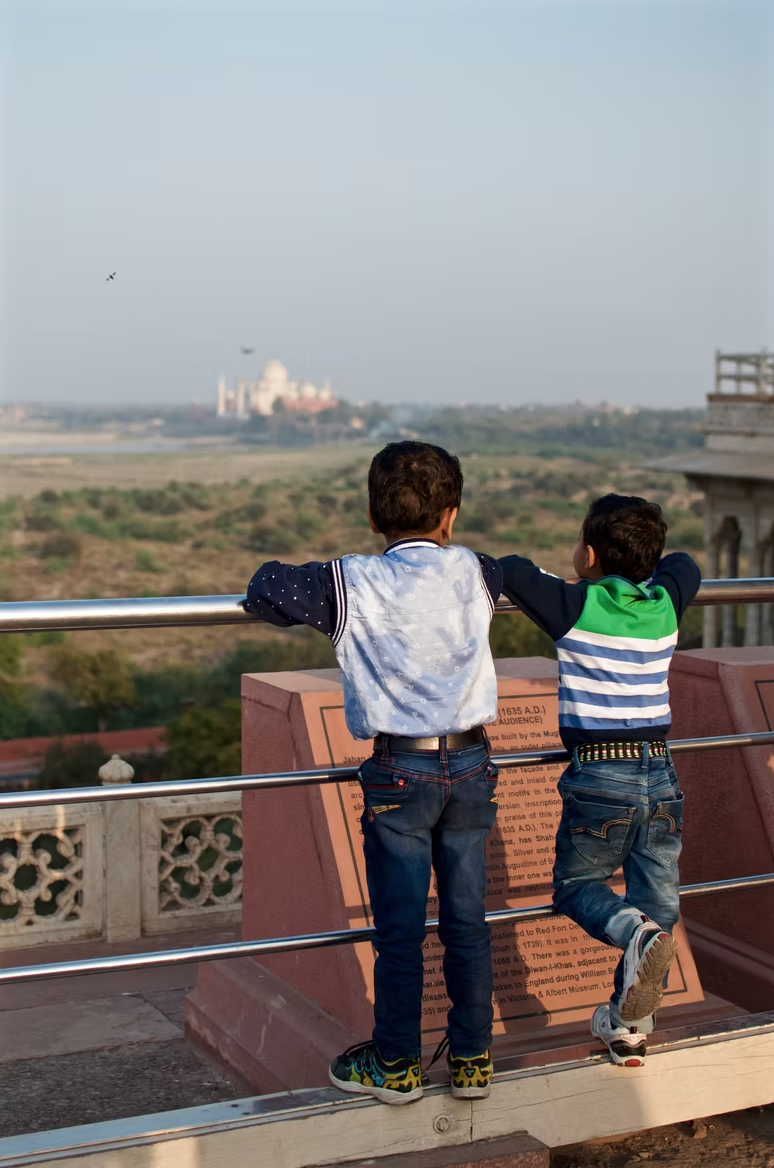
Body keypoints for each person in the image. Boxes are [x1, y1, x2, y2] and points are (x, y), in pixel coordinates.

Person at [244, 441, 503, 1104]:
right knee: (468, 920)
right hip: (472, 762)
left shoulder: (348, 581)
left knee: (399, 928)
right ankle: (473, 1061)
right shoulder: (477, 571)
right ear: (452, 515)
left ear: (371, 512)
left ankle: (397, 1065)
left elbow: (267, 587)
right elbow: (526, 579)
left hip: (400, 769)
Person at [497, 494, 701, 1067]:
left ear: (588, 555)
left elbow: (512, 570)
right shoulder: (666, 601)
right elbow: (686, 563)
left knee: (576, 886)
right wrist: (647, 568)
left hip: (601, 773)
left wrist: (573, 578)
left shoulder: (575, 605)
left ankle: (633, 939)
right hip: (660, 771)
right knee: (656, 901)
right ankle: (629, 1025)